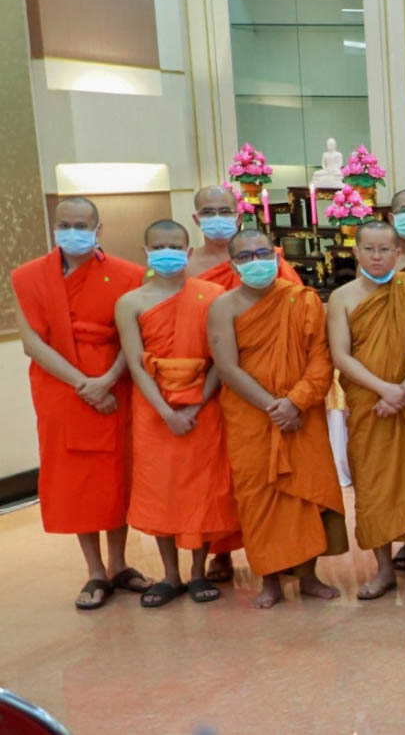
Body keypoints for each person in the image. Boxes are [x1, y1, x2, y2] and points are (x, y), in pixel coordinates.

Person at [16, 198, 148, 608]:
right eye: (64, 224)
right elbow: (32, 343)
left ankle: (119, 563)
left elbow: (135, 338)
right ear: (54, 226)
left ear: (98, 229)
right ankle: (95, 571)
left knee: (117, 474)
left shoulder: (128, 274)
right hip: (61, 390)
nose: (72, 231)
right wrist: (84, 385)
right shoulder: (28, 276)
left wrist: (106, 381)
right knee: (77, 481)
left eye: (81, 225)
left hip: (115, 385)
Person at [206, 228, 346, 608]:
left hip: (302, 414)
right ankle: (269, 580)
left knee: (306, 494)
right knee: (259, 497)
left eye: (263, 253)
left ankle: (309, 576)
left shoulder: (302, 299)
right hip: (251, 416)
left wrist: (296, 402)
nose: (256, 262)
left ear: (276, 255)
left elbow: (321, 357)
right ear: (233, 265)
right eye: (246, 256)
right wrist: (275, 406)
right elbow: (227, 367)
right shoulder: (223, 307)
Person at [115, 220, 237, 607]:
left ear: (188, 251)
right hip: (154, 410)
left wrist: (197, 404)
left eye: (174, 247)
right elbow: (135, 363)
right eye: (158, 247)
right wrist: (166, 412)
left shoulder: (213, 295)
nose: (166, 253)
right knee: (160, 491)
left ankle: (198, 572)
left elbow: (221, 359)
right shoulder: (130, 302)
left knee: (202, 489)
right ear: (146, 252)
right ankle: (170, 575)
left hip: (204, 406)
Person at [325, 221, 405, 600]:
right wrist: (385, 390)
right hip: (369, 407)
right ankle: (384, 569)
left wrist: (404, 390)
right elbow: (341, 355)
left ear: (397, 253)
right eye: (369, 249)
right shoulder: (342, 298)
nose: (377, 257)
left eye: (384, 250)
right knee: (373, 488)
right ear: (356, 252)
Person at [188, 185, 302, 288]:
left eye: (225, 212)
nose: (217, 218)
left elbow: (294, 298)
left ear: (239, 218)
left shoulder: (266, 259)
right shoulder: (187, 264)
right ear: (196, 220)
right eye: (207, 212)